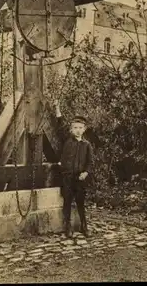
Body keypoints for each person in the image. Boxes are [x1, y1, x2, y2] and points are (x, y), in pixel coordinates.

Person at [55, 101, 93, 239]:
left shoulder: (87, 145)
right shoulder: (67, 140)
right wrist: (57, 108)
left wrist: (85, 172)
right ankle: (68, 227)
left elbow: (90, 162)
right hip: (67, 177)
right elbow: (60, 125)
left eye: (80, 127)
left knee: (81, 202)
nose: (77, 130)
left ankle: (84, 226)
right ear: (71, 129)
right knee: (67, 202)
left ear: (84, 129)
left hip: (80, 178)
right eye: (75, 127)